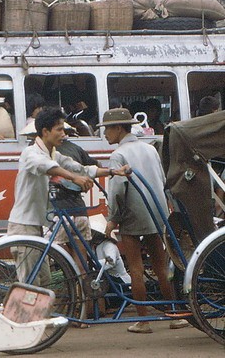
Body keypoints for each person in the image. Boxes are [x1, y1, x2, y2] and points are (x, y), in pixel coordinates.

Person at [7, 107, 127, 285]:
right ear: (45, 131)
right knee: (30, 284)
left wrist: (112, 171)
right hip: (23, 226)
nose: (64, 134)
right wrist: (74, 178)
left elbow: (79, 167)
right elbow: (48, 167)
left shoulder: (53, 153)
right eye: (59, 129)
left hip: (36, 227)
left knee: (45, 281)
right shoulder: (31, 153)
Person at [98, 107, 186, 333]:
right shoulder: (150, 149)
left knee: (135, 269)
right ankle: (175, 315)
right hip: (157, 214)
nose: (105, 134)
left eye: (107, 129)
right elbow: (162, 180)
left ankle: (144, 321)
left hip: (132, 216)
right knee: (161, 266)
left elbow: (118, 191)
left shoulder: (118, 155)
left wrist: (112, 219)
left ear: (119, 128)